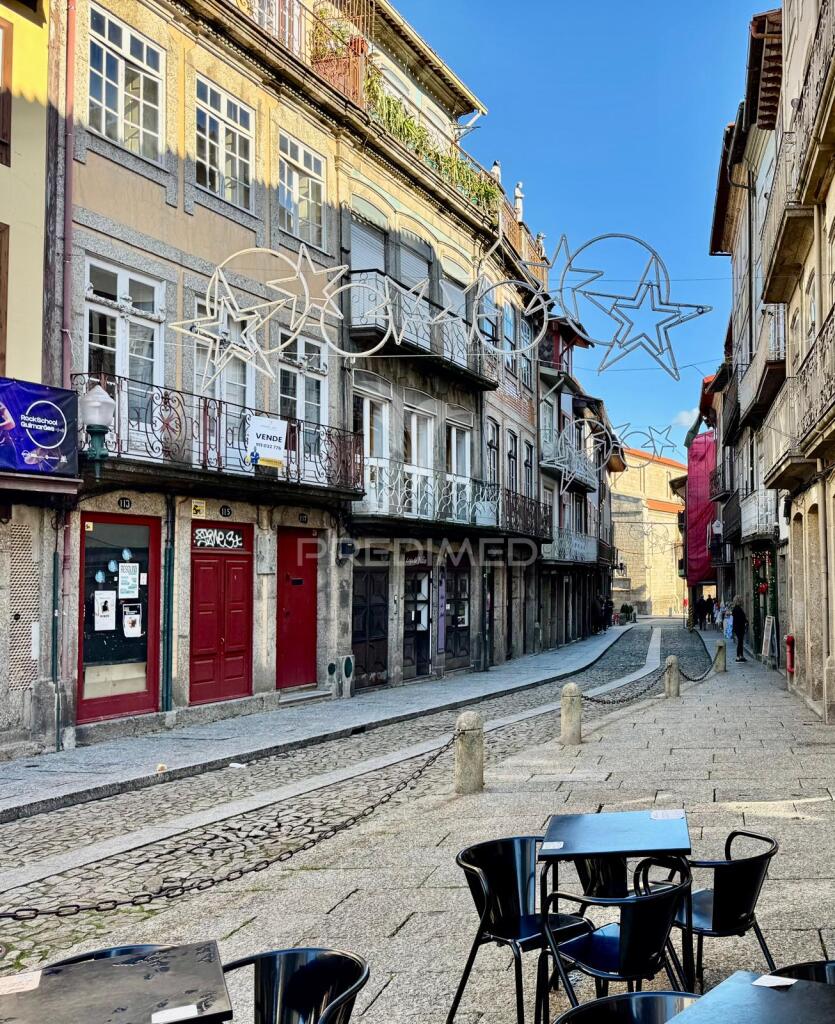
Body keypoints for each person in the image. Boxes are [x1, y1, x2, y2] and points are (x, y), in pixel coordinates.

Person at [731, 595, 748, 662]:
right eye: (741, 599)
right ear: (739, 601)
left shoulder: (736, 608)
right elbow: (740, 619)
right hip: (739, 627)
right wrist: (745, 621)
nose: (742, 600)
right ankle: (738, 656)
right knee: (740, 642)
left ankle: (741, 656)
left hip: (738, 627)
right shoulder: (737, 609)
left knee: (740, 642)